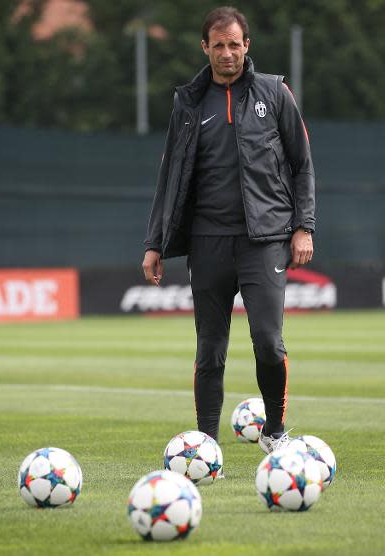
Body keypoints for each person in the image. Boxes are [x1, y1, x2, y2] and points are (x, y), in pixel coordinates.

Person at [141, 6, 315, 454]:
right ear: (205, 48)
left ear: (246, 46)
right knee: (210, 349)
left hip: (265, 240)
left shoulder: (273, 93)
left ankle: (275, 432)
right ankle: (205, 444)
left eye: (234, 44)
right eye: (218, 45)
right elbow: (169, 177)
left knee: (267, 340)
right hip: (207, 242)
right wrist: (154, 243)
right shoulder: (187, 102)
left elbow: (302, 165)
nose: (226, 53)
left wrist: (304, 227)